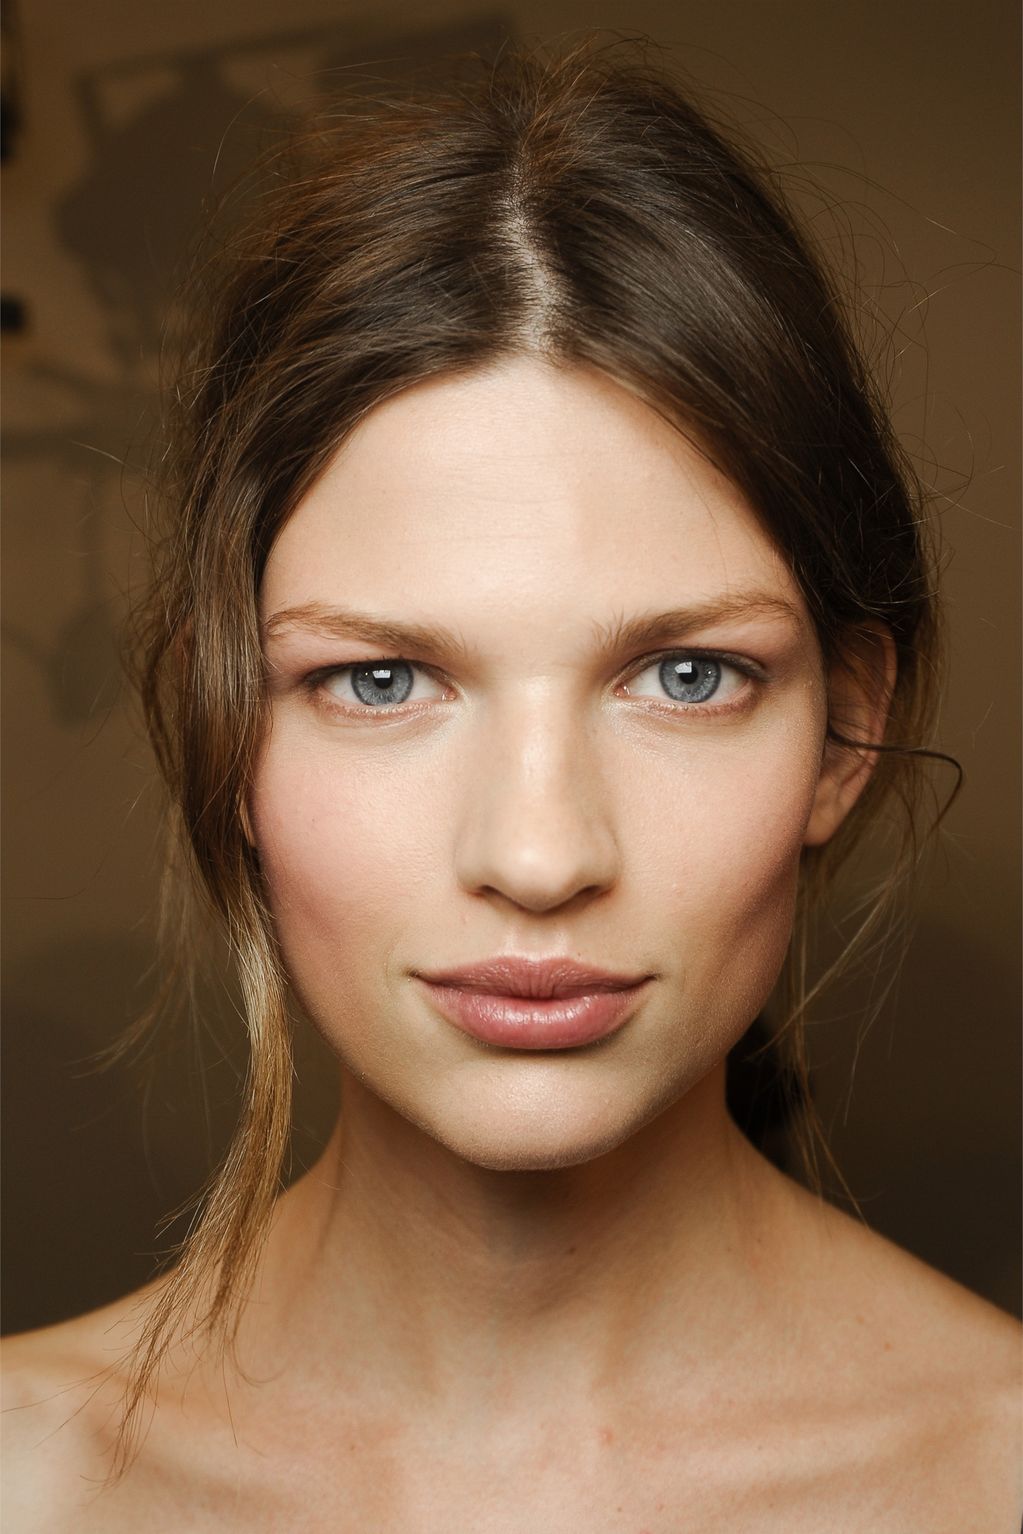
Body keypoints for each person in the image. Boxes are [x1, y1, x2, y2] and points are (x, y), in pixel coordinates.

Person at [3, 38, 1019, 1530]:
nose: (540, 857)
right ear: (223, 726)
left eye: (687, 676)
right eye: (381, 680)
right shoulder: (28, 1475)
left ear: (846, 732)